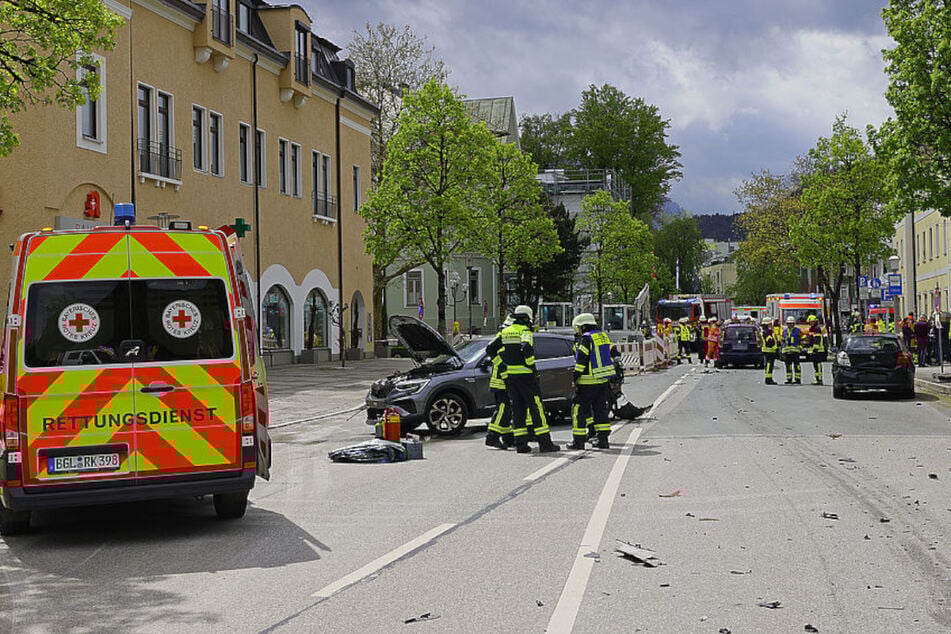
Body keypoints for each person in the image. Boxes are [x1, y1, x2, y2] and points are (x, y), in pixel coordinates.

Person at [495, 305, 560, 454]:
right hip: (526, 376)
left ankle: (521, 445)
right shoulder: (525, 331)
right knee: (536, 408)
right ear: (526, 319)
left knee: (518, 410)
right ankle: (545, 443)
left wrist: (504, 363)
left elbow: (491, 349)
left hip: (511, 377)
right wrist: (531, 366)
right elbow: (526, 347)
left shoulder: (505, 331)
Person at [569, 313, 616, 450]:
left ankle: (578, 442)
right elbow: (613, 353)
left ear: (583, 326)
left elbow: (581, 361)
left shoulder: (586, 339)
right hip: (602, 381)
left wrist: (575, 377)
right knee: (600, 410)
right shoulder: (602, 336)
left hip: (586, 382)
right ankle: (603, 441)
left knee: (579, 411)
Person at [483, 315, 516, 450]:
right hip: (501, 381)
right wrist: (503, 370)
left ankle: (508, 437)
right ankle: (492, 437)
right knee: (503, 409)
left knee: (506, 410)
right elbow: (498, 358)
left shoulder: (503, 336)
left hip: (502, 379)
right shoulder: (504, 338)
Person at [805, 314, 825, 385]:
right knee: (815, 365)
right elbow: (811, 339)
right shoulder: (812, 329)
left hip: (818, 350)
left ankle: (819, 379)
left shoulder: (816, 328)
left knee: (818, 365)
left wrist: (815, 349)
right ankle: (817, 379)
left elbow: (817, 339)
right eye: (810, 322)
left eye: (812, 322)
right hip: (814, 350)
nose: (811, 323)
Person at [782, 316, 802, 384]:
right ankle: (789, 379)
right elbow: (783, 341)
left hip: (795, 352)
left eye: (791, 323)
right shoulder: (785, 331)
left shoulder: (798, 331)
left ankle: (797, 379)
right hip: (787, 352)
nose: (790, 325)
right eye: (788, 323)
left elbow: (802, 340)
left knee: (797, 366)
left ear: (794, 324)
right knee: (788, 366)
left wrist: (800, 347)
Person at [761, 317, 778, 385]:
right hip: (769, 351)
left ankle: (769, 378)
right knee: (769, 365)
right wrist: (775, 347)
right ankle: (768, 379)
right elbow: (770, 342)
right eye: (770, 324)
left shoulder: (767, 331)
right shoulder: (767, 332)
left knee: (769, 365)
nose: (771, 325)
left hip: (769, 351)